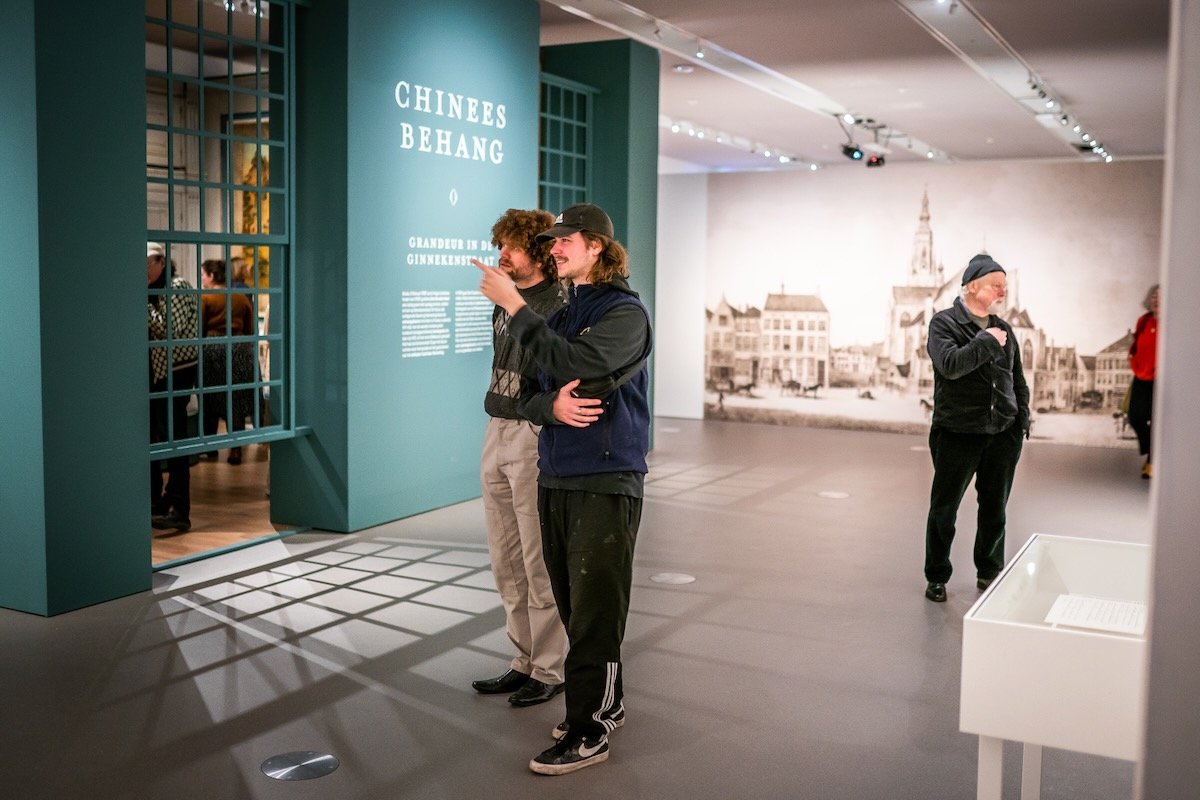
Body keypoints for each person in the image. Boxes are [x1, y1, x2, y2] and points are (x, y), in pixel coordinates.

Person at [476, 203, 652, 775]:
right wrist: (548, 407)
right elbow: (529, 389)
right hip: (555, 471)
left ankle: (588, 729)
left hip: (605, 477)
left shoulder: (625, 314)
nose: (554, 248)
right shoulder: (567, 309)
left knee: (596, 608)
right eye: (552, 241)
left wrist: (515, 306)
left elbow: (579, 363)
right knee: (575, 605)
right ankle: (608, 703)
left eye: (565, 240)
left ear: (596, 245)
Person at [468, 209, 569, 707]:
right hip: (498, 426)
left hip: (533, 433)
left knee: (536, 557)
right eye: (500, 244)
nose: (502, 254)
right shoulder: (504, 299)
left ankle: (550, 668)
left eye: (512, 246)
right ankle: (523, 658)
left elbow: (556, 367)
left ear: (539, 252)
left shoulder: (557, 304)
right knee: (505, 557)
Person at [923, 253, 1029, 603]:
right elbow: (950, 365)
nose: (1002, 291)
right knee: (945, 509)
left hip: (1002, 435)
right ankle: (937, 576)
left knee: (995, 509)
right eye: (995, 284)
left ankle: (989, 572)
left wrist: (1021, 420)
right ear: (971, 286)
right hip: (957, 433)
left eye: (1004, 286)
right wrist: (986, 341)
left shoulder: (1005, 329)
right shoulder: (943, 324)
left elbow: (1016, 379)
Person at [148, 242, 199, 532]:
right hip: (160, 373)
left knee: (175, 439)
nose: (145, 270)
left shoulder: (177, 287)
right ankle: (166, 499)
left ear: (162, 262)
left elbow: (170, 329)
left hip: (176, 372)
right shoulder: (157, 290)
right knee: (163, 437)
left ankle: (180, 509)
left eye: (149, 263)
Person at [199, 258, 257, 465]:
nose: (202, 278)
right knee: (235, 400)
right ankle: (236, 450)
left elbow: (200, 328)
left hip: (213, 349)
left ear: (212, 276)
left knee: (210, 397)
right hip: (238, 348)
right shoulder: (240, 297)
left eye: (203, 274)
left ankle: (209, 446)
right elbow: (250, 328)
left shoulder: (205, 298)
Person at [1127, 284, 1159, 479]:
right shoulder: (1144, 321)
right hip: (1141, 377)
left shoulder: (1170, 324)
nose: (1157, 300)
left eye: (1161, 297)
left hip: (1160, 381)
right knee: (1135, 417)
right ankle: (1154, 452)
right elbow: (1135, 345)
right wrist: (1133, 361)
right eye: (1154, 296)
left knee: (1157, 421)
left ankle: (1152, 463)